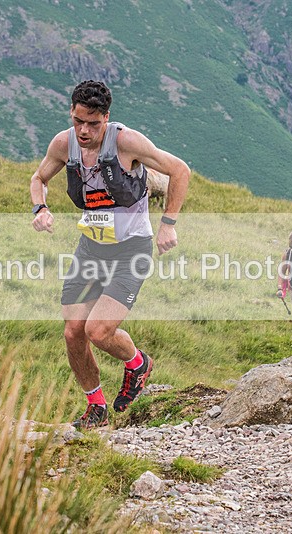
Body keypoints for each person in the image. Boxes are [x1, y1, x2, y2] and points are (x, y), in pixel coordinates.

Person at [30, 80, 190, 429]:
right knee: (74, 332)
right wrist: (39, 208)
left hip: (131, 249)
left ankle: (137, 364)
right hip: (90, 249)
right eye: (78, 121)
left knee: (98, 331)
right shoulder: (63, 143)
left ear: (106, 117)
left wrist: (169, 224)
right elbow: (38, 177)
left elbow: (180, 170)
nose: (84, 131)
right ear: (71, 114)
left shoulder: (126, 142)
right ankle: (96, 408)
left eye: (92, 123)